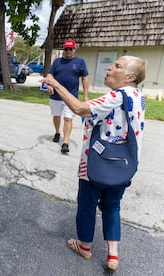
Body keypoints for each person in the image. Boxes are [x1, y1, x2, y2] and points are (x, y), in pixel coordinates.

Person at [41, 55, 147, 271]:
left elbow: (80, 108)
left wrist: (54, 83)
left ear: (129, 77)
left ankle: (84, 246)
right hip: (124, 165)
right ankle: (113, 255)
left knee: (87, 205)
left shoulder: (116, 96)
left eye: (116, 66)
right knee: (112, 206)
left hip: (95, 164)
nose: (109, 68)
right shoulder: (139, 97)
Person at [46, 39, 89, 153]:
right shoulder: (57, 62)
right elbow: (50, 74)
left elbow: (85, 78)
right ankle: (57, 132)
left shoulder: (80, 62)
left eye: (71, 49)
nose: (68, 51)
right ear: (63, 49)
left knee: (68, 118)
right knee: (56, 116)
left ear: (75, 49)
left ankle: (65, 142)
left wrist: (85, 96)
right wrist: (49, 84)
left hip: (71, 97)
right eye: (66, 49)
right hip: (56, 96)